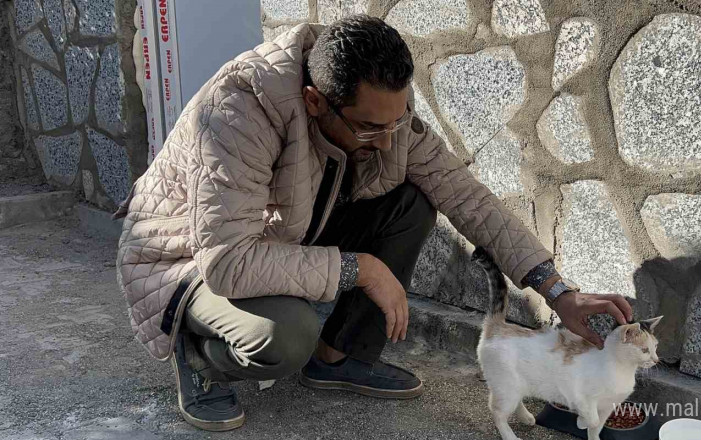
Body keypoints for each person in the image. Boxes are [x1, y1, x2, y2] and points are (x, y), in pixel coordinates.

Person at [114, 15, 633, 432]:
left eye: (396, 122)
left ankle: (337, 358)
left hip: (282, 234)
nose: (387, 142)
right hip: (187, 260)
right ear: (315, 101)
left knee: (412, 201)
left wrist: (558, 291)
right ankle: (201, 354)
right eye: (368, 128)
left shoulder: (386, 118)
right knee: (284, 336)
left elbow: (468, 198)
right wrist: (359, 268)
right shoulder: (237, 112)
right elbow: (226, 262)